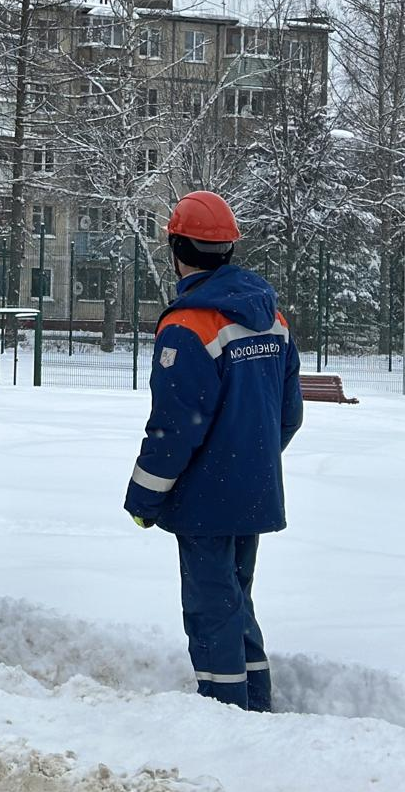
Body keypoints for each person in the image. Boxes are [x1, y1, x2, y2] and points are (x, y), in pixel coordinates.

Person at [125, 190, 302, 712]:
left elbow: (175, 428)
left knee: (210, 607)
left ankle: (227, 716)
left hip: (205, 499)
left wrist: (143, 498)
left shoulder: (188, 324)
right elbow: (287, 415)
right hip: (254, 491)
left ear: (177, 246)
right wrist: (251, 461)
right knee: (237, 600)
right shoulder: (274, 319)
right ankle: (255, 702)